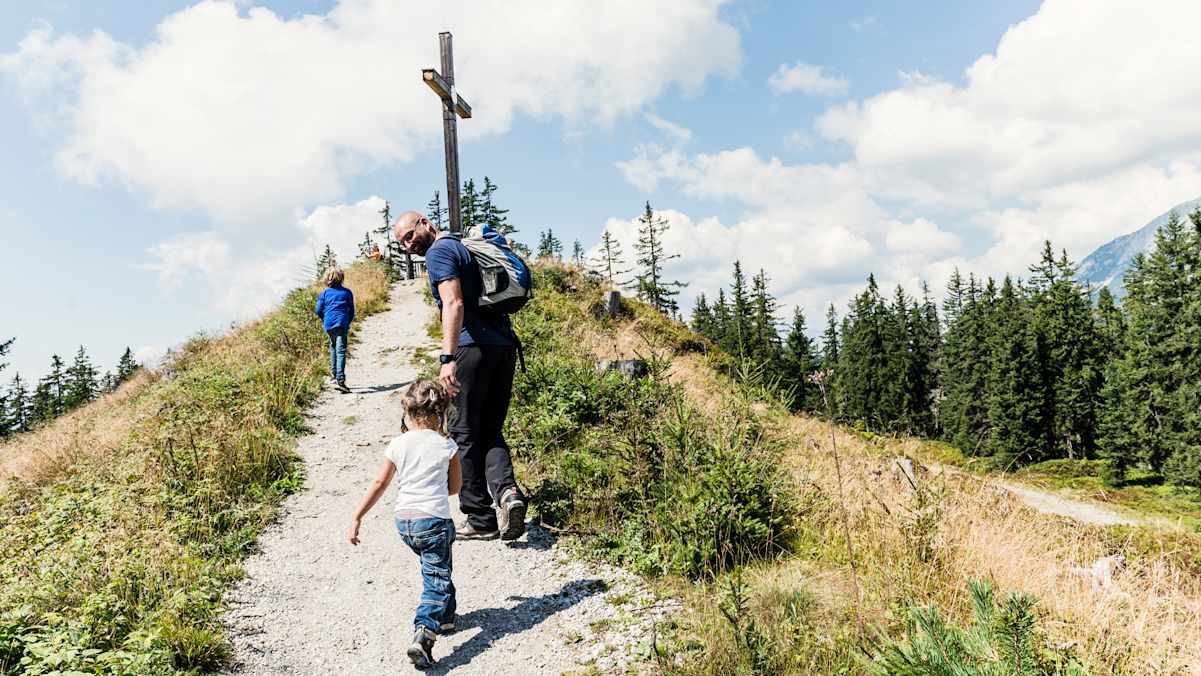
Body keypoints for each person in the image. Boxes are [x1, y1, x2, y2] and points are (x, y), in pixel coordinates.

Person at [393, 210, 527, 542]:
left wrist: (448, 358)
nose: (408, 246)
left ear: (425, 223)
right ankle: (508, 493)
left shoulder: (439, 251)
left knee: (463, 432)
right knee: (490, 429)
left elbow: (453, 303)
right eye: (402, 243)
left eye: (409, 236)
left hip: (471, 349)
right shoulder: (463, 247)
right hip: (503, 347)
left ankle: (480, 517)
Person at [348, 379, 462, 669]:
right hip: (434, 520)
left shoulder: (397, 444)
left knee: (435, 567)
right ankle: (424, 632)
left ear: (408, 413)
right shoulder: (447, 445)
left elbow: (379, 482)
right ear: (441, 413)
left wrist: (357, 516)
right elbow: (455, 488)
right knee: (436, 575)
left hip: (405, 523)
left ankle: (446, 617)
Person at [315, 267, 355, 393]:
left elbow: (318, 310)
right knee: (341, 350)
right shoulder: (347, 292)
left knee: (333, 347)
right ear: (341, 278)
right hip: (341, 323)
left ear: (327, 279)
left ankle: (333, 376)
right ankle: (340, 380)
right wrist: (347, 321)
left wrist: (325, 319)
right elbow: (352, 311)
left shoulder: (325, 293)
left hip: (329, 324)